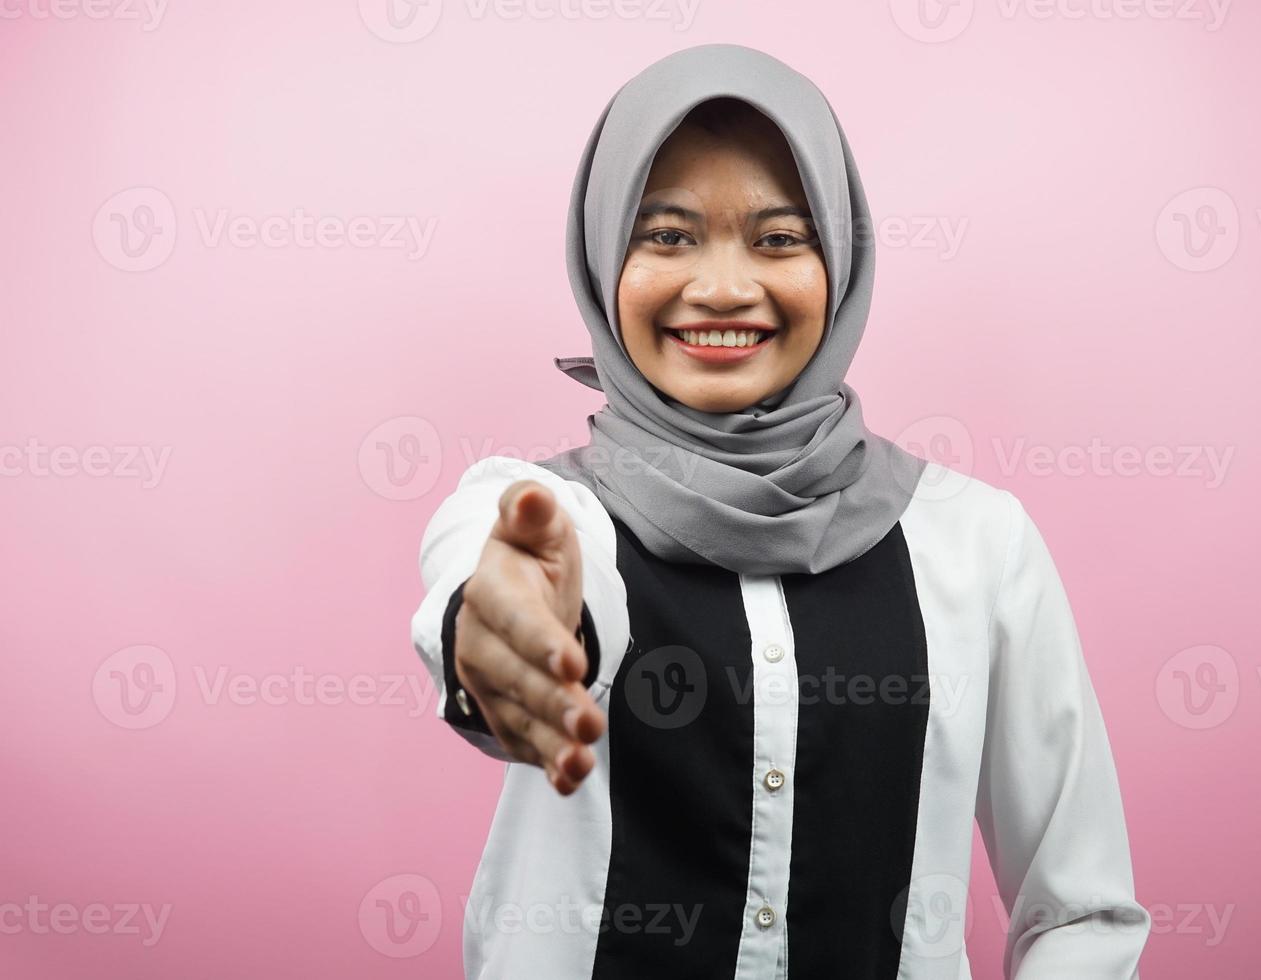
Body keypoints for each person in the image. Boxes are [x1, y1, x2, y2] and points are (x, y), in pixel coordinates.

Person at [410, 42, 1151, 980]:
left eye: (779, 238)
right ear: (602, 256)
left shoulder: (976, 543)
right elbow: (502, 579)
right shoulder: (542, 511)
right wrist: (508, 624)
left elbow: (1081, 908)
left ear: (840, 260)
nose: (722, 289)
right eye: (667, 235)